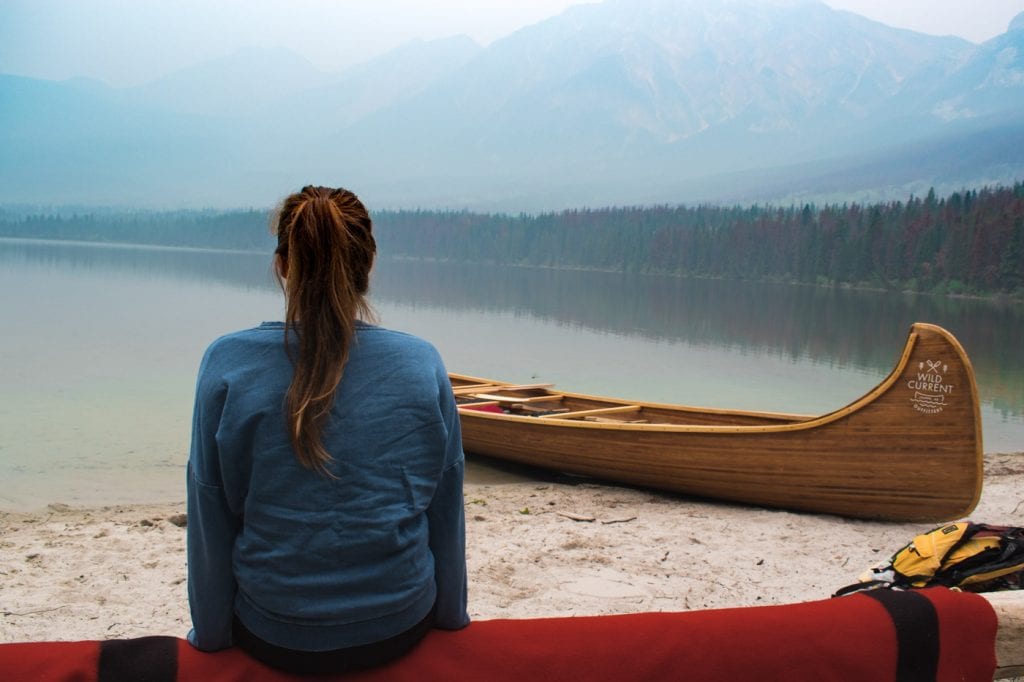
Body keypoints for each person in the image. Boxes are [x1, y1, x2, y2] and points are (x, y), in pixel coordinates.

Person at [186, 185, 469, 674]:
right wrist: (451, 618)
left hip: (274, 632)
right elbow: (446, 508)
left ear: (282, 266)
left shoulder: (227, 363)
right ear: (369, 265)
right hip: (400, 623)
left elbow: (210, 513)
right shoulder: (422, 363)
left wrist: (211, 637)